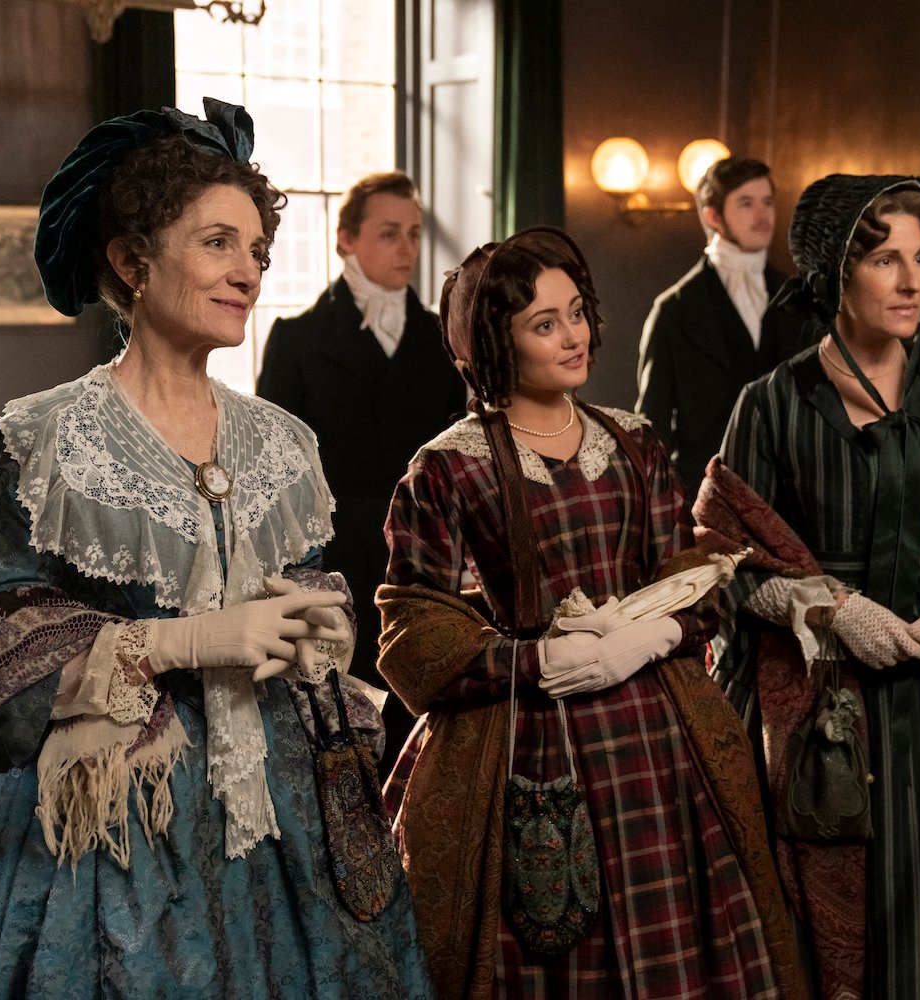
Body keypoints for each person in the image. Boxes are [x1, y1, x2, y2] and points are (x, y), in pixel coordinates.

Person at [0, 100, 432, 999]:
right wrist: (181, 643)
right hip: (109, 821)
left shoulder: (284, 441)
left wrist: (309, 623)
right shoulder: (50, 437)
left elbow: (306, 591)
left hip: (281, 806)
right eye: (218, 242)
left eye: (257, 251)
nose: (249, 272)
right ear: (131, 260)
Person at [375, 227, 807, 999]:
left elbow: (693, 571)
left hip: (659, 734)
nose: (573, 336)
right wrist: (535, 660)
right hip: (525, 742)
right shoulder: (449, 465)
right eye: (545, 324)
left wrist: (650, 636)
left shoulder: (634, 441)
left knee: (692, 935)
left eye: (576, 313)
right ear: (493, 343)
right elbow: (414, 631)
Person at [697, 173, 920, 1000]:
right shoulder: (773, 405)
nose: (912, 281)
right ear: (833, 272)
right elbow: (720, 559)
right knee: (831, 924)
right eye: (886, 259)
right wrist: (826, 605)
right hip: (827, 704)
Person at [257, 170, 466, 775]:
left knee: (425, 724)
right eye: (388, 233)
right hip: (337, 560)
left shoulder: (442, 336)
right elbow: (274, 480)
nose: (406, 248)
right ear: (346, 240)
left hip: (428, 559)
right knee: (344, 738)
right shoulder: (297, 340)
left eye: (415, 234)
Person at [636, 156, 812, 499]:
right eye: (746, 203)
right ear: (713, 216)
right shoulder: (673, 309)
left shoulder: (799, 299)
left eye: (767, 202)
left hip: (788, 494)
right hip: (702, 492)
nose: (763, 215)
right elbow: (653, 423)